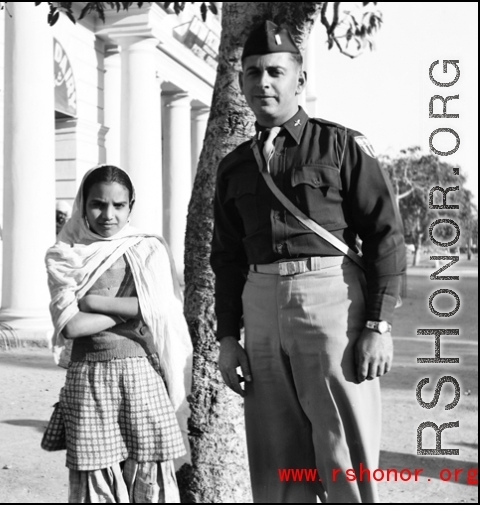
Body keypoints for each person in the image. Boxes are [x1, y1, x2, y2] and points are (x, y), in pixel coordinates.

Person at [211, 21, 406, 503]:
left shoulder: (339, 145)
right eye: (252, 73)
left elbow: (385, 234)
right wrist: (228, 338)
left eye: (276, 71)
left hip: (330, 304)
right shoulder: (234, 166)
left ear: (300, 79)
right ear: (240, 83)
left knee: (345, 454)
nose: (263, 82)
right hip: (259, 306)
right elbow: (227, 258)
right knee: (277, 462)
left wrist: (377, 325)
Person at [43, 165, 193, 503]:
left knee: (149, 474)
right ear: (83, 204)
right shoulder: (64, 256)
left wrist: (93, 300)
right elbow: (72, 326)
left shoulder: (146, 250)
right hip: (89, 378)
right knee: (95, 477)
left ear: (131, 206)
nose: (108, 214)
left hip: (142, 376)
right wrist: (136, 312)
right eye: (98, 204)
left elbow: (166, 307)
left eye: (119, 205)